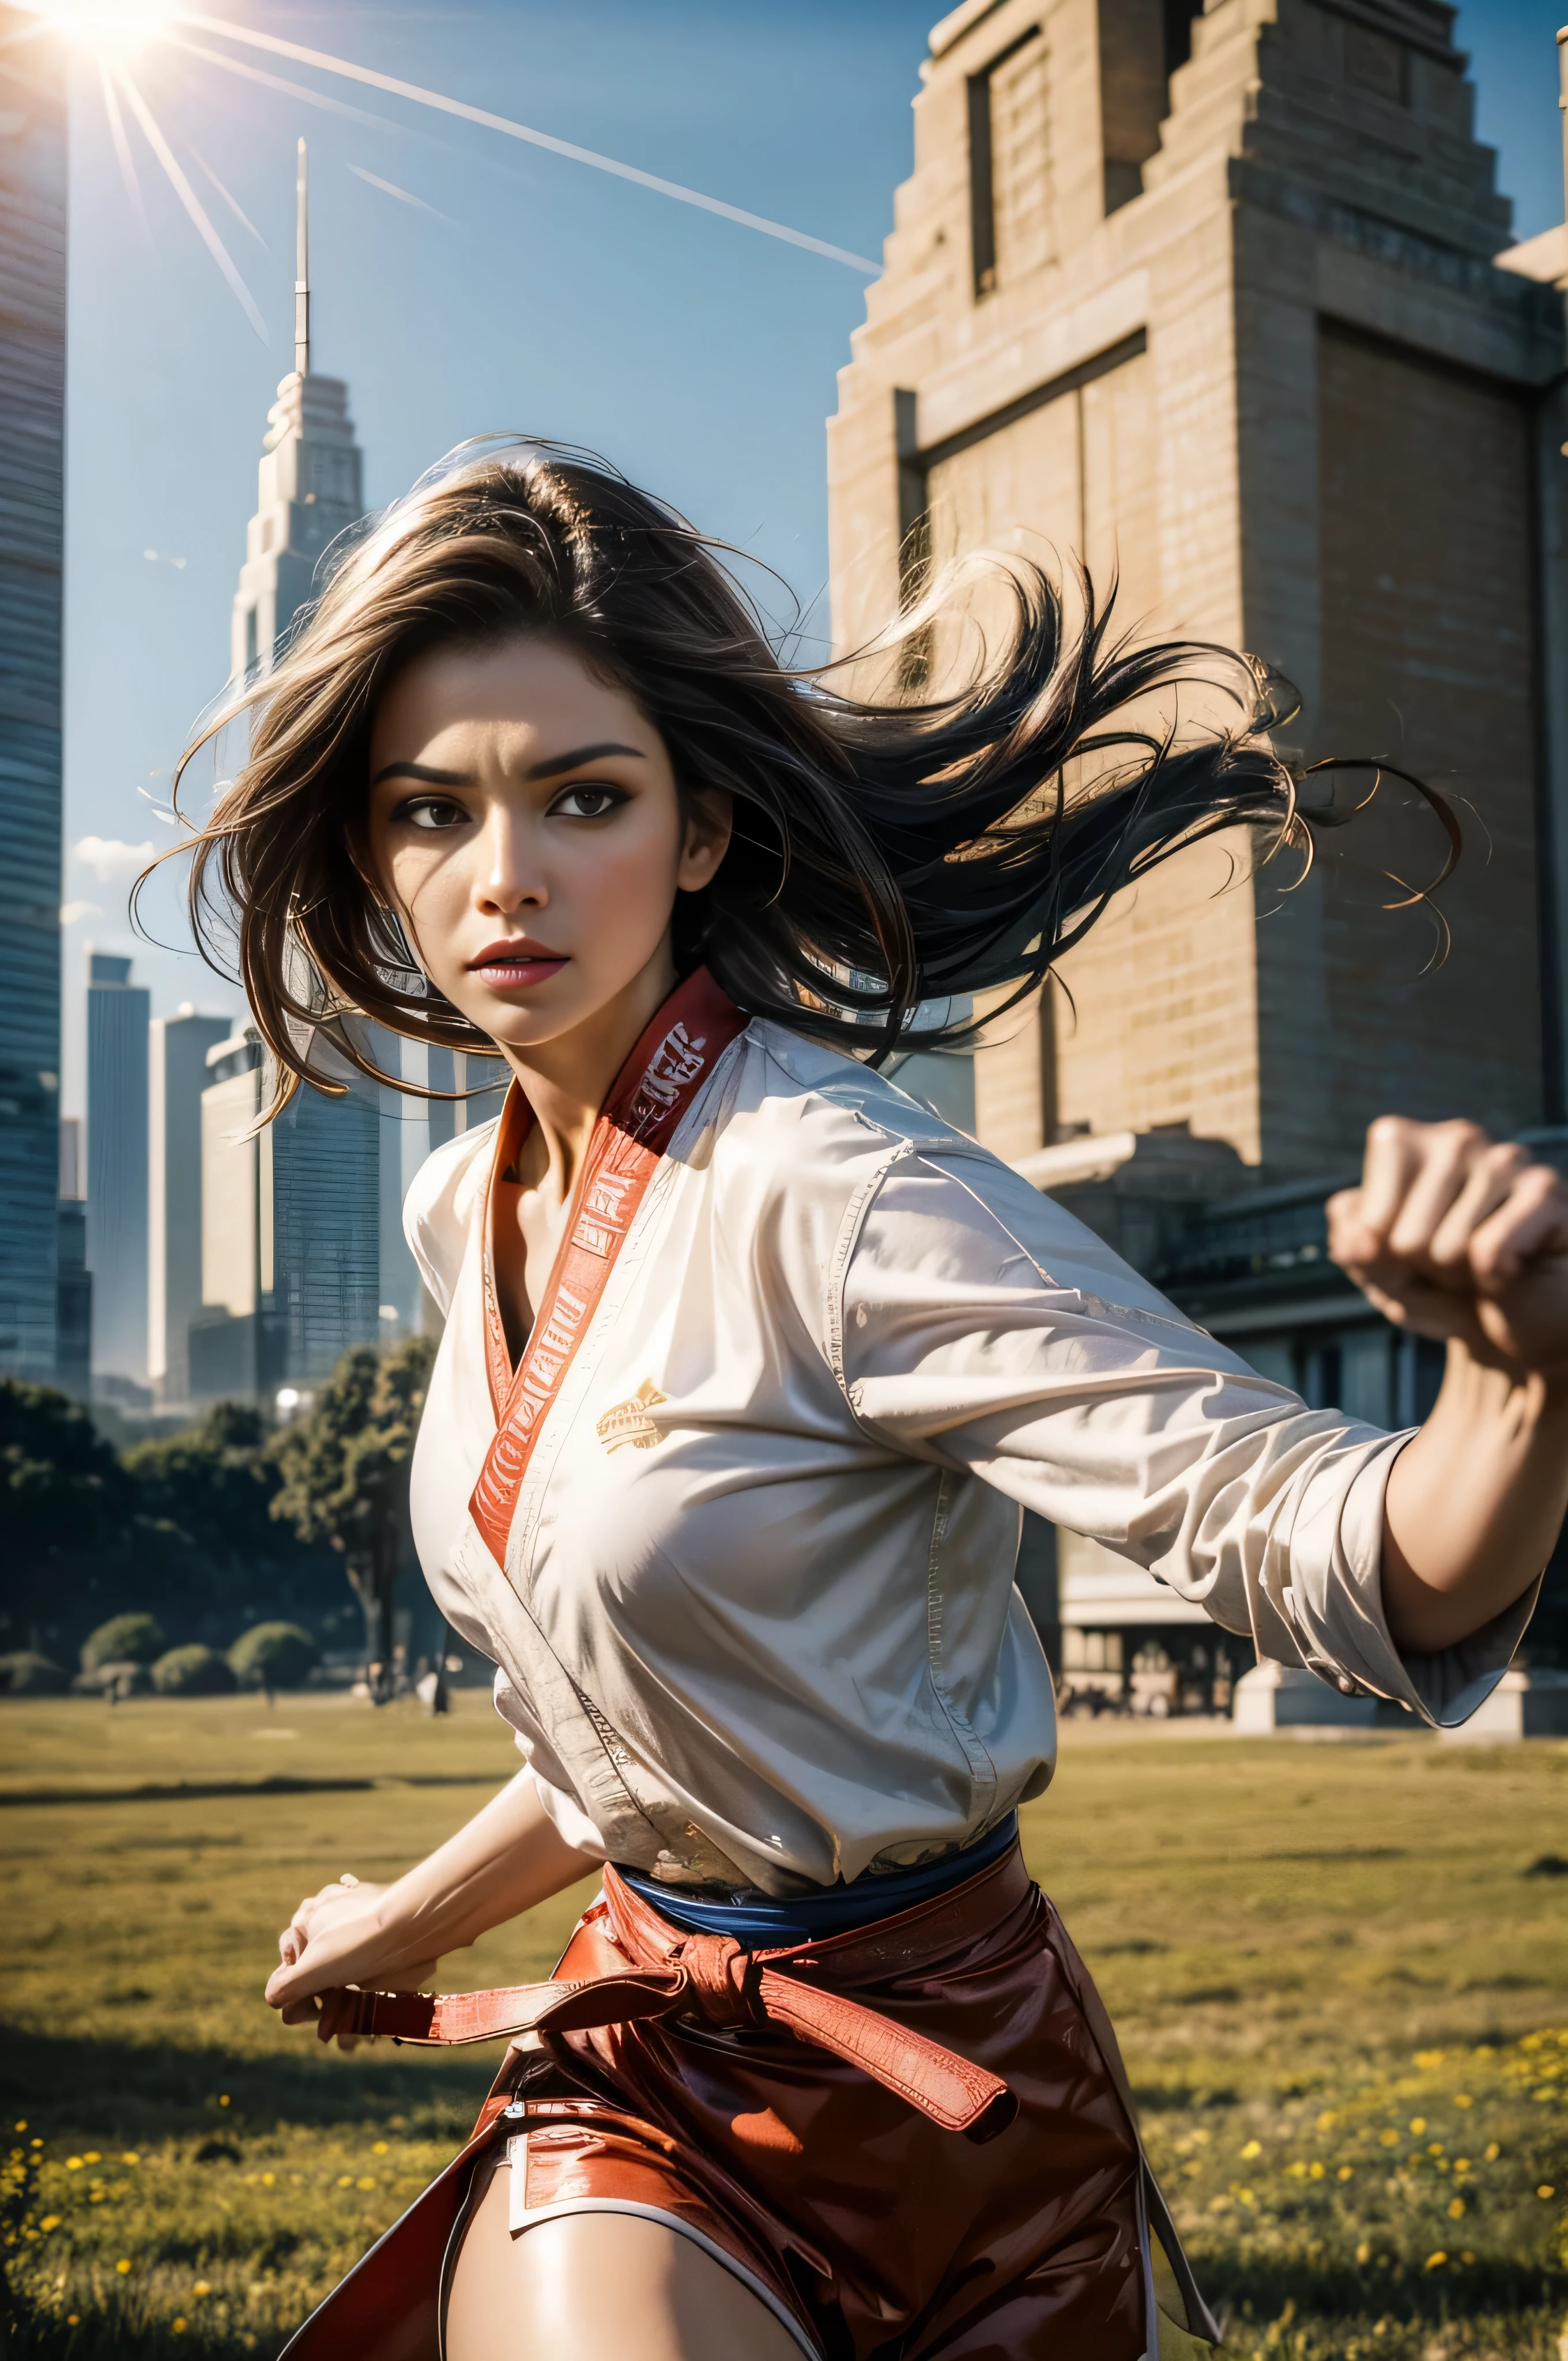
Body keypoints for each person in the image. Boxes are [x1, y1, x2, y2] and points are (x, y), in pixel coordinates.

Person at [169, 445, 1568, 2361]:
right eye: (432, 812)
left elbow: (1339, 1549)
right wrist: (409, 1922)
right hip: (652, 2083)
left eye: (586, 796)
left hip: (967, 2087)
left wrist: (1515, 1373)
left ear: (706, 830)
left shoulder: (843, 1190)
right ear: (374, 854)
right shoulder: (455, 1207)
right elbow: (643, 1737)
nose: (505, 877)